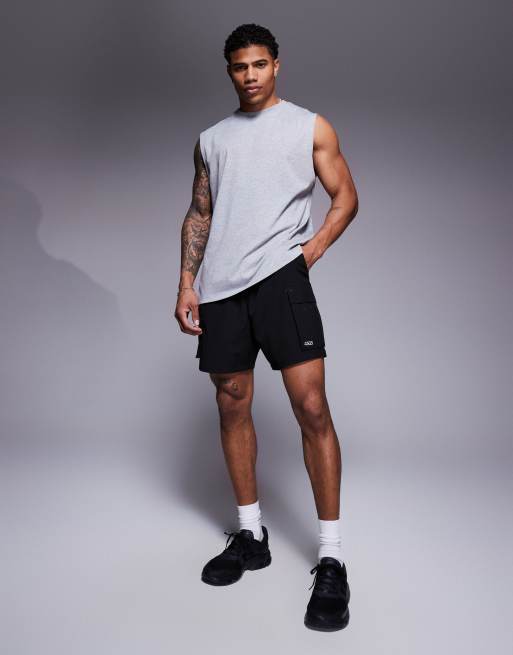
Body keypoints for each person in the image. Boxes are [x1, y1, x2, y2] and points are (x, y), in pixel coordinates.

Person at [174, 23, 358, 632]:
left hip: (282, 281)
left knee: (312, 407)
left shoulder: (309, 126)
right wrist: (187, 283)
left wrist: (309, 253)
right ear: (229, 71)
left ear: (276, 65)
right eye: (239, 66)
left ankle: (331, 557)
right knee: (232, 404)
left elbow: (346, 198)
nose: (249, 75)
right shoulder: (211, 139)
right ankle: (251, 536)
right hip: (221, 289)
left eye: (259, 64)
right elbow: (199, 212)